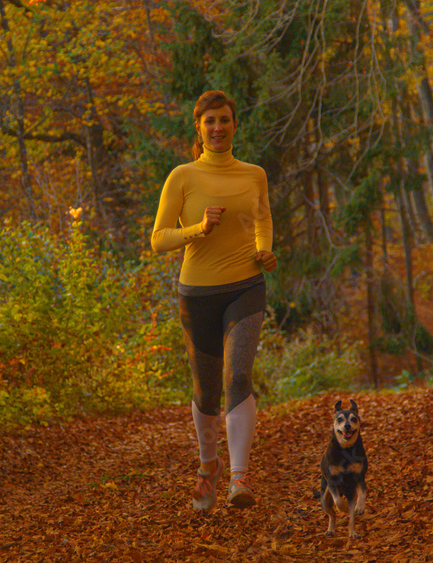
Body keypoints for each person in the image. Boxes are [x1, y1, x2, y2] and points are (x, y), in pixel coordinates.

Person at [151, 90, 276, 510]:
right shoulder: (182, 176)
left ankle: (240, 477)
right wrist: (198, 229)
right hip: (197, 293)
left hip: (246, 287)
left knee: (237, 377)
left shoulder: (253, 174)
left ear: (234, 125)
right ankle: (209, 467)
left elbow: (263, 217)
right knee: (206, 392)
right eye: (210, 122)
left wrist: (264, 249)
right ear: (199, 128)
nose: (218, 128)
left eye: (225, 120)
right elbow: (158, 239)